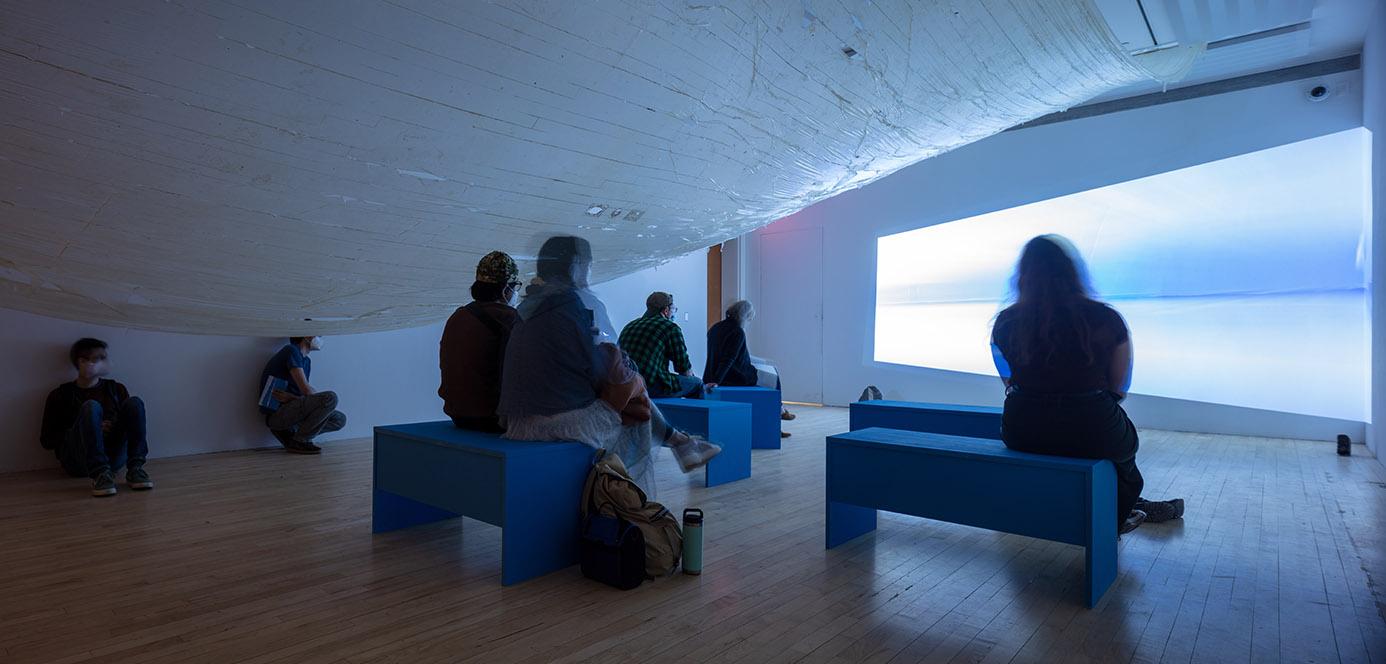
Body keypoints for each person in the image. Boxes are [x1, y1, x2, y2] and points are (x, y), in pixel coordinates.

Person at [990, 235, 1183, 535]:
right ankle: (1117, 516)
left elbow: (1010, 381)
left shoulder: (1005, 322)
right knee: (1124, 461)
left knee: (1078, 451)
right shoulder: (1106, 319)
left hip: (1022, 429)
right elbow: (1119, 388)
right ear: (1071, 272)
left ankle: (1131, 508)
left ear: (1023, 275)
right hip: (1091, 428)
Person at [497, 235, 720, 494]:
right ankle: (626, 497)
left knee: (633, 392)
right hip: (554, 423)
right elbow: (606, 370)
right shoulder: (574, 304)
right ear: (577, 266)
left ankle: (681, 443)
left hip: (516, 421)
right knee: (637, 408)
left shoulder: (529, 306)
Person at [40, 338, 153, 496]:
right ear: (83, 361)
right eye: (100, 358)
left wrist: (111, 426)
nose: (106, 362)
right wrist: (85, 428)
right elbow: (46, 440)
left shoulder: (116, 389)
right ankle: (100, 474)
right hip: (78, 461)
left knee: (135, 403)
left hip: (114, 459)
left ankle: (136, 469)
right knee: (91, 407)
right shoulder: (60, 395)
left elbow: (128, 426)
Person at [440, 251, 523, 432]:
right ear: (505, 290)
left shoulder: (458, 316)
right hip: (494, 419)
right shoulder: (510, 318)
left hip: (458, 416)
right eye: (516, 286)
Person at [703, 300, 795, 434]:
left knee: (769, 372)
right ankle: (779, 413)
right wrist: (716, 381)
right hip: (734, 377)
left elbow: (723, 355)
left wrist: (712, 378)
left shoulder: (715, 328)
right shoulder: (737, 332)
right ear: (746, 316)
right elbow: (729, 359)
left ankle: (778, 414)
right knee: (774, 377)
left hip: (711, 373)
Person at [259, 336, 346, 454]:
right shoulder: (291, 350)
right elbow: (307, 391)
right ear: (306, 337)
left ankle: (292, 435)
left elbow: (305, 397)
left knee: (339, 420)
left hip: (294, 411)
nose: (319, 338)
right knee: (330, 398)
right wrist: (299, 397)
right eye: (317, 335)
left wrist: (292, 398)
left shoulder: (307, 361)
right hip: (277, 415)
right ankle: (300, 441)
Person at [618, 291, 703, 399]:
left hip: (627, 384)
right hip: (650, 385)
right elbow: (683, 368)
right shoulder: (670, 327)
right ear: (666, 310)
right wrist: (694, 380)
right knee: (697, 384)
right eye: (674, 309)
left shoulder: (629, 326)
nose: (674, 313)